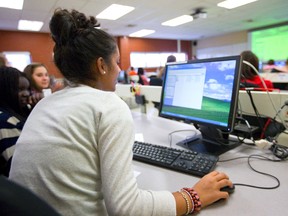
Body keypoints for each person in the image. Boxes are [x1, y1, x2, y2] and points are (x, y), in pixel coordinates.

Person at [9, 8, 233, 216]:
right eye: (116, 62)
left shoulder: (45, 105)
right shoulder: (108, 105)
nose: (119, 69)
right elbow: (126, 208)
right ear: (101, 65)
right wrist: (193, 197)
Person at [0, 67, 31, 177]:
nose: (26, 94)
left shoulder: (23, 110)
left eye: (28, 89)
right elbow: (18, 163)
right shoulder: (5, 121)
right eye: (19, 89)